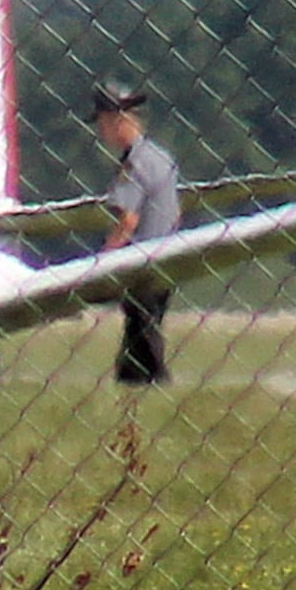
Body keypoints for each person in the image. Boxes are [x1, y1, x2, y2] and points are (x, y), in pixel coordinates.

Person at [91, 81, 183, 385]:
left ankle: (157, 381)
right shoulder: (162, 157)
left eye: (102, 122)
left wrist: (105, 259)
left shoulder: (134, 165)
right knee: (141, 329)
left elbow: (128, 220)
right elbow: (175, 211)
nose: (101, 132)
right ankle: (131, 380)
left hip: (143, 264)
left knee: (143, 330)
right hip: (168, 258)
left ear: (116, 120)